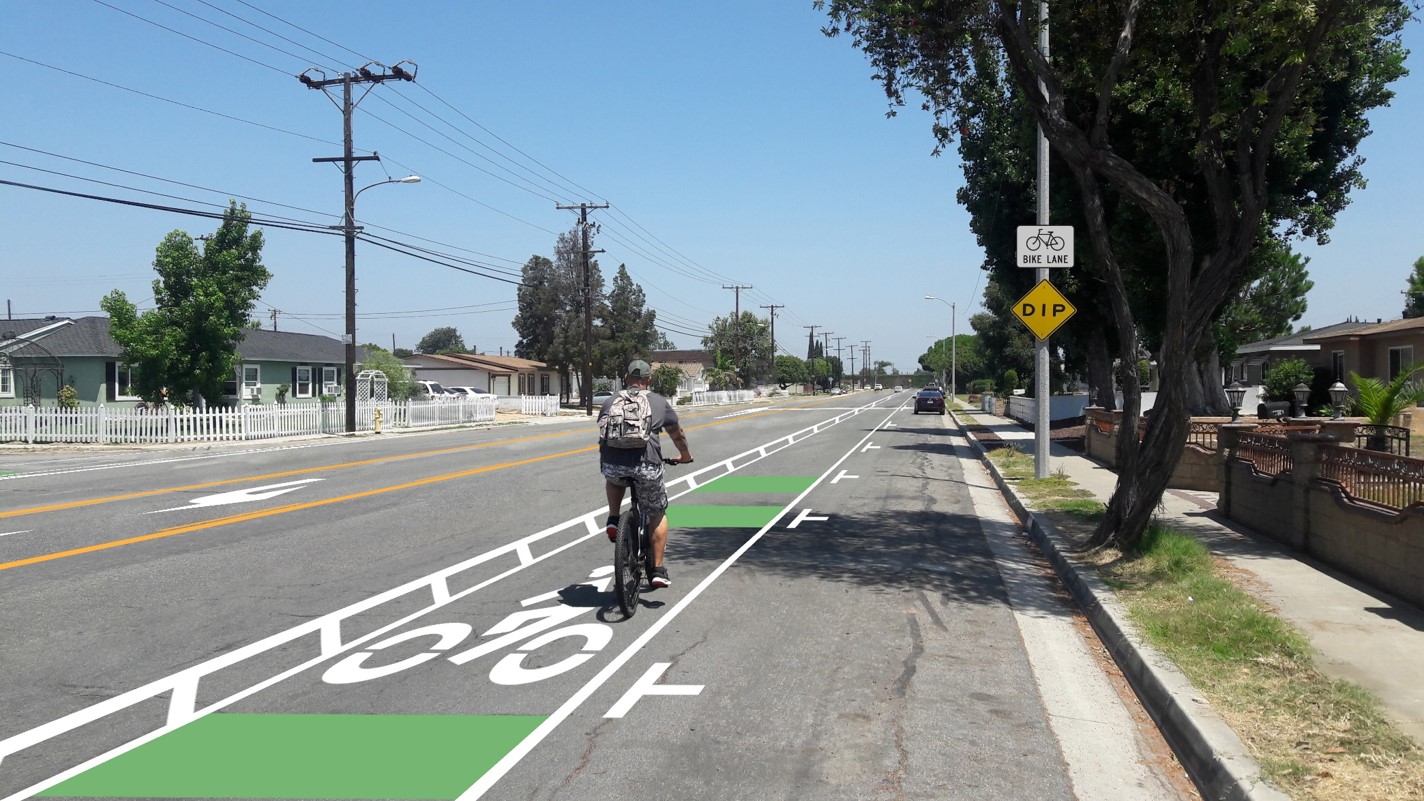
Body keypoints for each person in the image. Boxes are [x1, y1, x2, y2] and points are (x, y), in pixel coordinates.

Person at [599, 359, 692, 589]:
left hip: (613, 463)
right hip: (646, 466)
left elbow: (602, 431)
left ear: (626, 378)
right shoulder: (658, 402)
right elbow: (676, 434)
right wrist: (685, 455)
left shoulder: (611, 400)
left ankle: (613, 518)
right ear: (649, 380)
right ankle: (658, 570)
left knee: (614, 478)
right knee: (657, 513)